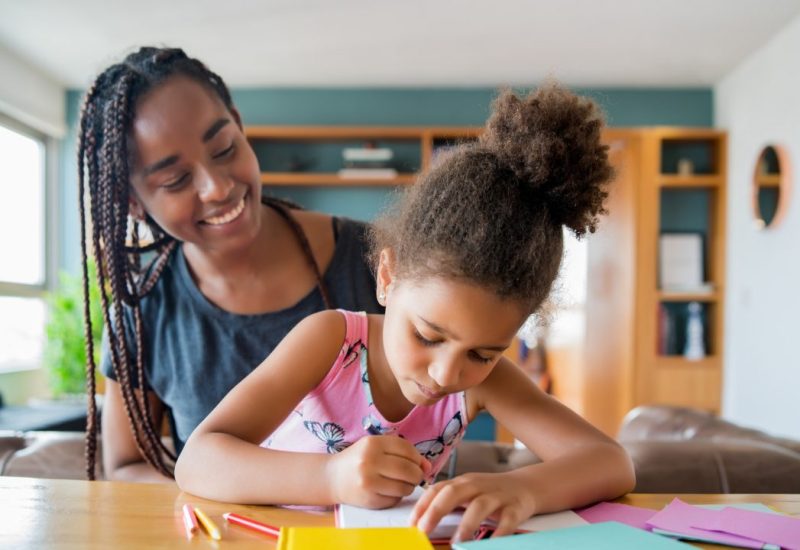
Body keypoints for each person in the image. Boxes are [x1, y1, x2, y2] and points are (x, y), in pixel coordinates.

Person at [174, 83, 636, 541]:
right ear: (387, 276)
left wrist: (523, 489)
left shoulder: (487, 382)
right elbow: (197, 461)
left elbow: (612, 463)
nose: (446, 373)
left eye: (483, 354)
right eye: (429, 336)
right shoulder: (330, 341)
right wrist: (332, 476)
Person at [77, 47, 382, 483]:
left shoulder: (375, 259)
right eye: (176, 180)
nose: (217, 187)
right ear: (134, 204)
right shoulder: (141, 315)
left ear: (239, 127)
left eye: (223, 149)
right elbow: (128, 466)